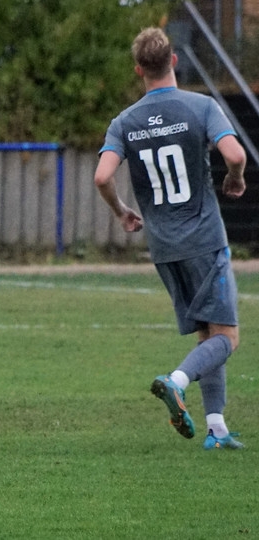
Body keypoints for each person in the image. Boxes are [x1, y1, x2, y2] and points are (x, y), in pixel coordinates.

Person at [95, 26, 246, 451]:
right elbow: (235, 154)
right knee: (227, 337)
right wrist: (235, 177)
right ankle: (176, 381)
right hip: (204, 239)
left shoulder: (125, 122)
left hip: (163, 247)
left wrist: (121, 211)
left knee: (207, 334)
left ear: (138, 69)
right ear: (174, 60)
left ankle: (216, 429)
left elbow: (102, 176)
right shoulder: (201, 106)